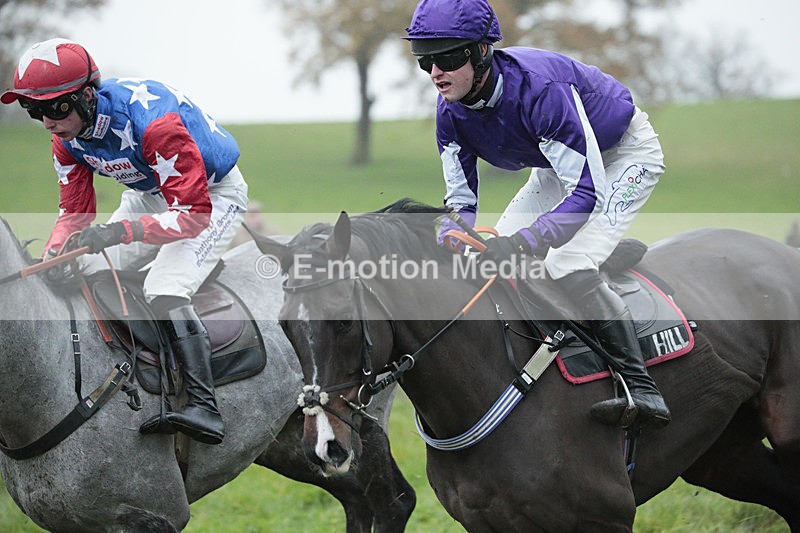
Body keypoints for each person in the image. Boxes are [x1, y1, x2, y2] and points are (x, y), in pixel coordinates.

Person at [405, 0, 670, 428]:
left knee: (566, 262)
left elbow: (586, 191)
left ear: (481, 52)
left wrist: (526, 242)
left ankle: (642, 388)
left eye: (448, 57)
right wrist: (449, 238)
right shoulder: (449, 111)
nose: (436, 72)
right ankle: (598, 262)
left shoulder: (539, 90)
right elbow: (461, 203)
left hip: (622, 157)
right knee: (486, 261)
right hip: (555, 167)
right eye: (425, 61)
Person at [1, 38, 250, 444]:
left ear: (86, 95)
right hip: (148, 194)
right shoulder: (65, 138)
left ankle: (205, 407)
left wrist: (122, 232)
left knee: (165, 287)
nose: (47, 121)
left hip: (209, 197)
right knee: (87, 267)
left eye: (56, 107)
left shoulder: (155, 124)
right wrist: (56, 252)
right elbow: (74, 214)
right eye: (34, 110)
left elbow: (191, 214)